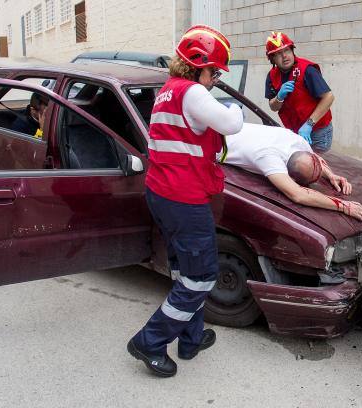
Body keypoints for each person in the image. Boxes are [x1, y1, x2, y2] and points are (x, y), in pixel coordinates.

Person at [127, 25, 243, 378]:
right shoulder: (192, 92)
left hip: (162, 193)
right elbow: (231, 123)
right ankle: (150, 341)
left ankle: (191, 338)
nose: (215, 80)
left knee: (183, 270)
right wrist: (233, 106)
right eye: (214, 72)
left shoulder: (166, 92)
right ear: (198, 66)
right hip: (183, 199)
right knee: (201, 277)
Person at [225, 123, 362, 221]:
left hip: (232, 127)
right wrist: (343, 206)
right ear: (292, 178)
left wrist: (330, 175)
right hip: (215, 144)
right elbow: (298, 194)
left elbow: (316, 159)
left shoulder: (294, 139)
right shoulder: (268, 158)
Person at [264, 32, 335, 152]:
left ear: (292, 51)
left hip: (318, 132)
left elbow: (329, 97)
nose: (284, 56)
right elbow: (273, 106)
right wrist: (279, 98)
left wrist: (309, 124)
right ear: (272, 59)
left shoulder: (307, 70)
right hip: (294, 132)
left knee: (314, 168)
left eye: (287, 51)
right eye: (279, 54)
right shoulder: (272, 76)